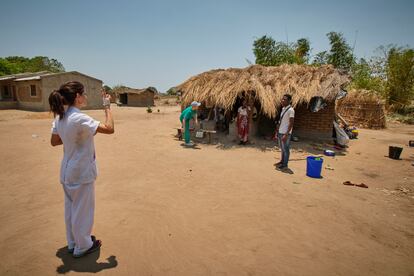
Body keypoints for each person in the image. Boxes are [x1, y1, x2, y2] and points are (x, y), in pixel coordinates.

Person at [49, 81, 114, 258]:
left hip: (67, 172)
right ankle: (83, 246)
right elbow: (109, 129)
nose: (85, 97)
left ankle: (73, 243)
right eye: (83, 94)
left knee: (71, 210)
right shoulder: (78, 117)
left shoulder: (60, 117)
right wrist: (107, 106)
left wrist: (77, 135)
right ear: (77, 97)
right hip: (80, 172)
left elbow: (55, 141)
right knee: (82, 212)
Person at [276, 94, 294, 170]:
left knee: (286, 149)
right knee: (282, 149)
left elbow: (291, 123)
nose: (282, 100)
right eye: (282, 99)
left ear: (289, 101)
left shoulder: (291, 110)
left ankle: (285, 164)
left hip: (285, 133)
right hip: (281, 131)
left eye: (285, 99)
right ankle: (282, 161)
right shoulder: (283, 108)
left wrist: (286, 134)